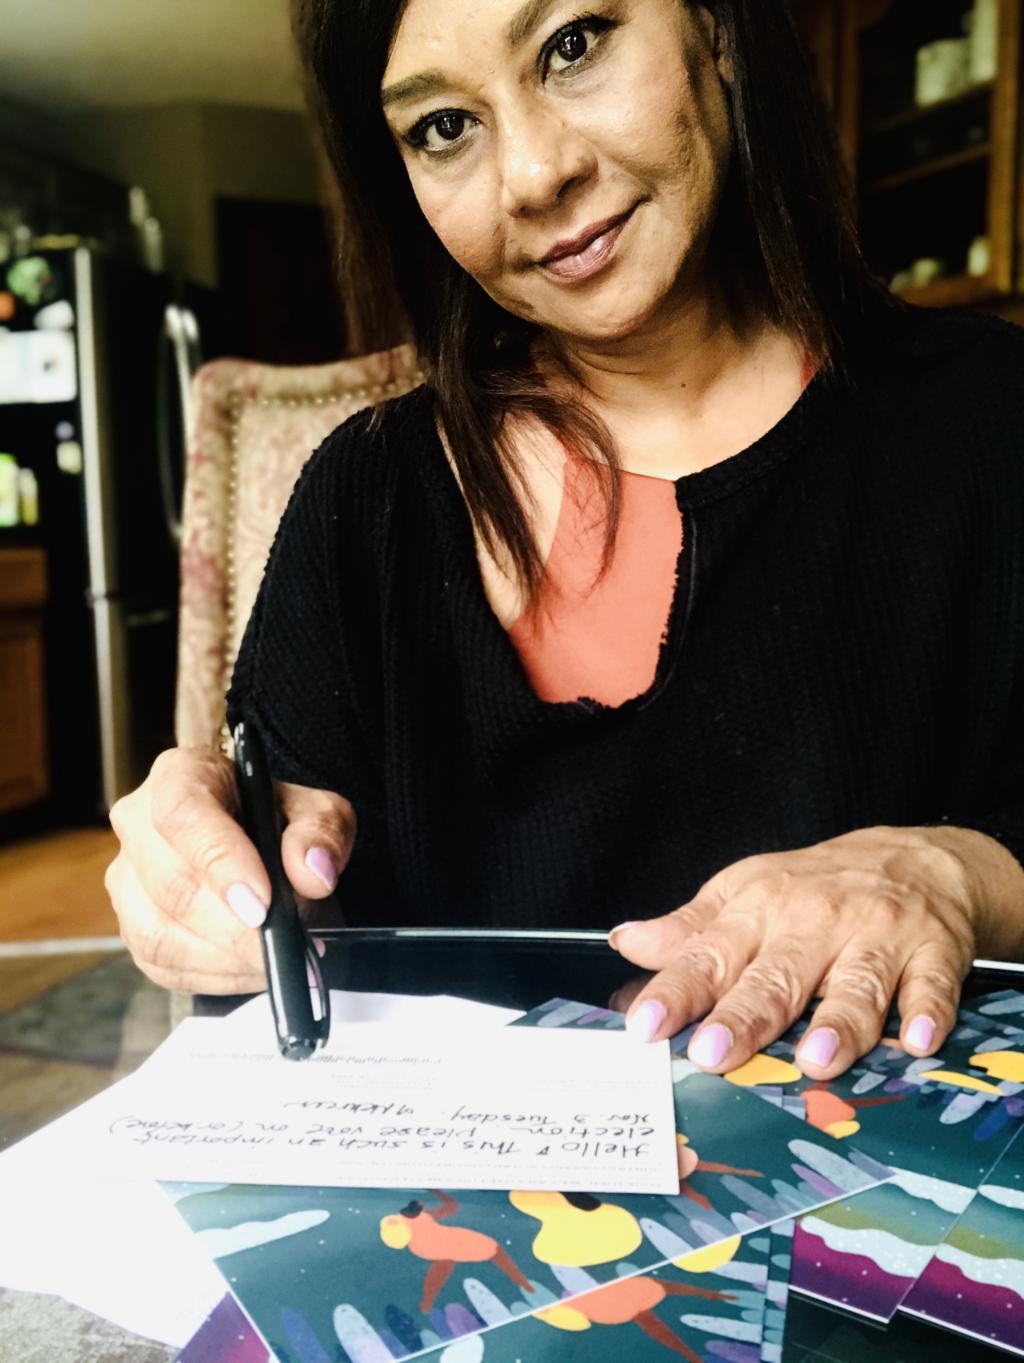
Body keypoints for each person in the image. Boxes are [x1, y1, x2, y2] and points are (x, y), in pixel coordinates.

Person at [106, 0, 1024, 1083]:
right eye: (443, 126)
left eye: (573, 46)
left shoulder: (992, 423)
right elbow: (280, 885)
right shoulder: (365, 501)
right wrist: (208, 887)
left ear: (715, 28)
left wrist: (958, 874)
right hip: (434, 1232)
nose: (532, 176)